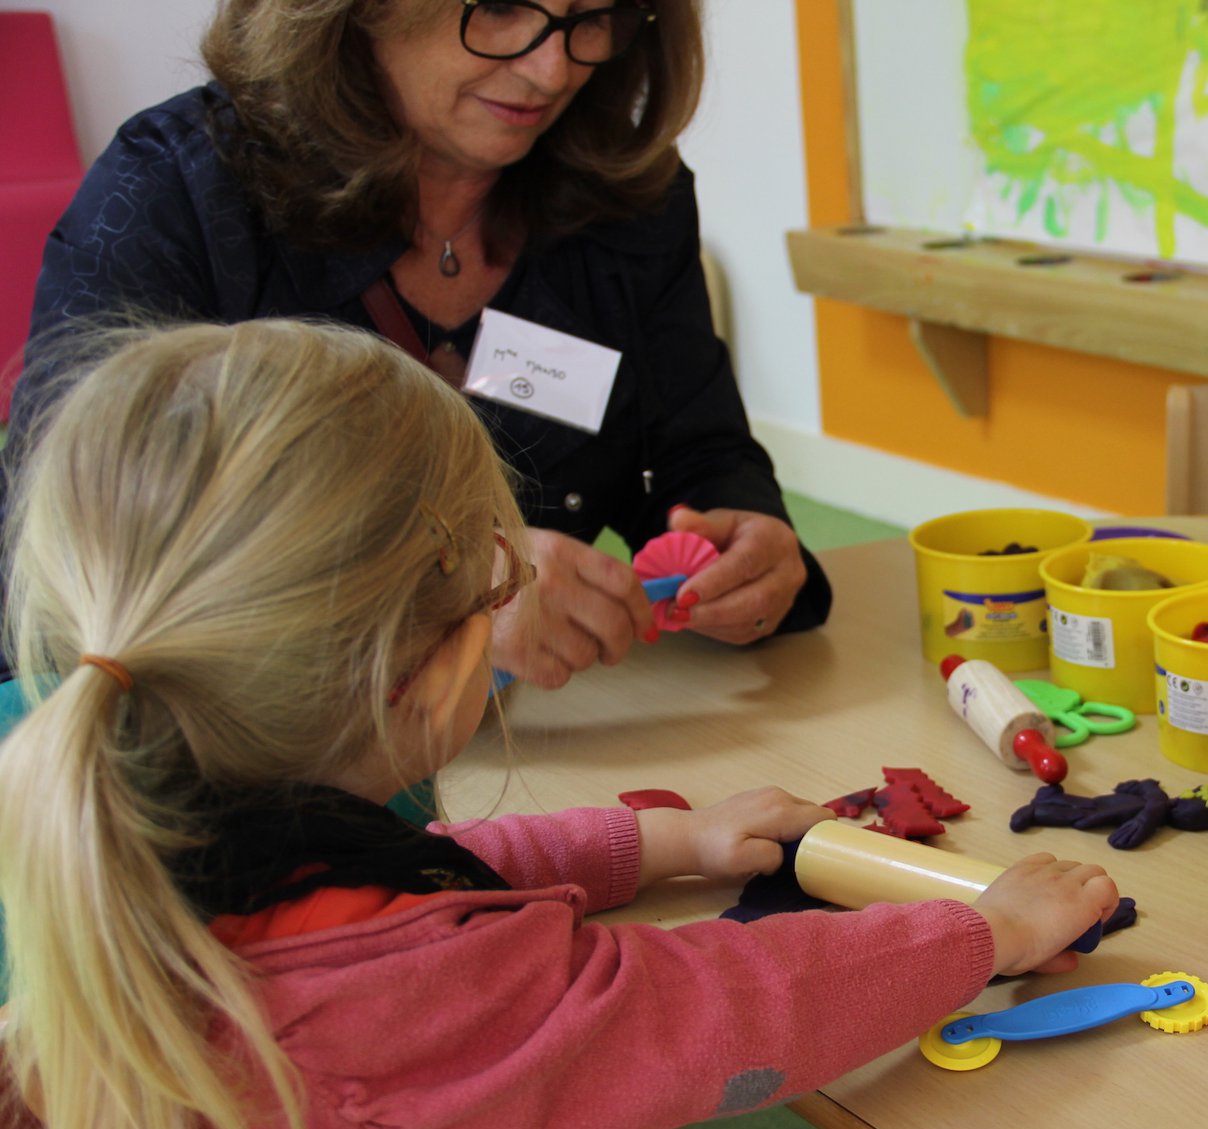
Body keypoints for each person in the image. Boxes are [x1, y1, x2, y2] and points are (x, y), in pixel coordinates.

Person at [0, 320, 1119, 1129]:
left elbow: (431, 882)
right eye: (495, 583)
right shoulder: (395, 995)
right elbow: (717, 1017)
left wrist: (658, 842)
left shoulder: (130, 854)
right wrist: (984, 934)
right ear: (420, 675)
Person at [12, 0, 828, 690]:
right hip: (252, 772)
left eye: (593, 16)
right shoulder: (176, 193)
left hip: (543, 749)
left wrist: (748, 540)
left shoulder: (626, 199)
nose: (553, 71)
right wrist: (432, 591)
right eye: (502, 6)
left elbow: (695, 450)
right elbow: (63, 557)